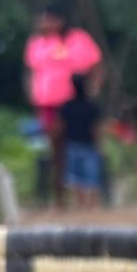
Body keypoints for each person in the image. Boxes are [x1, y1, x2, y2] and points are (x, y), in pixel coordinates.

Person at [24, 4, 102, 208]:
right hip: (48, 105)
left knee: (83, 148)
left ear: (59, 20)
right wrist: (34, 98)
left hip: (75, 105)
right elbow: (32, 73)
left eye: (46, 19)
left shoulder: (78, 39)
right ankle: (60, 199)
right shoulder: (36, 44)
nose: (42, 23)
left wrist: (93, 90)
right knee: (56, 152)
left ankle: (89, 198)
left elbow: (96, 66)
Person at [57, 74, 102, 209]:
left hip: (72, 144)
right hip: (89, 144)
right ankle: (92, 205)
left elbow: (60, 127)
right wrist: (99, 145)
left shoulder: (66, 107)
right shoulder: (92, 106)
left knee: (76, 176)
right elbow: (96, 129)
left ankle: (81, 205)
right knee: (92, 175)